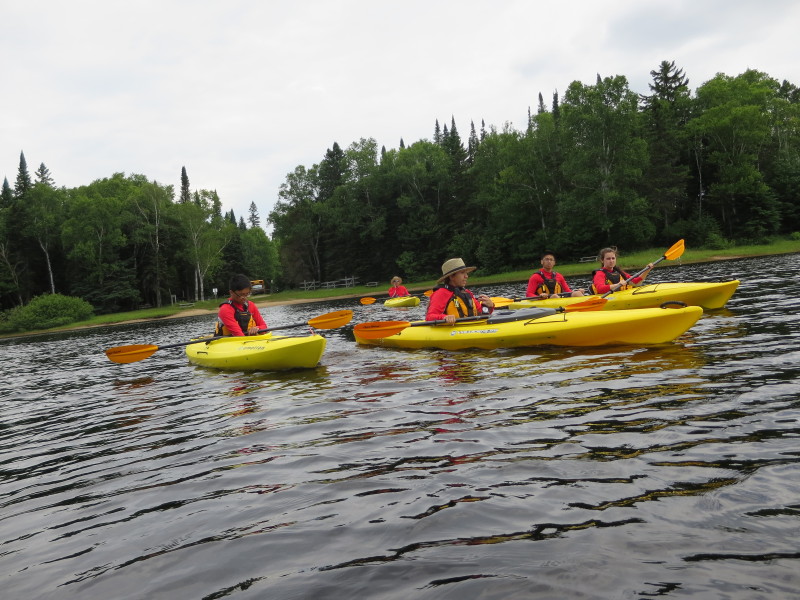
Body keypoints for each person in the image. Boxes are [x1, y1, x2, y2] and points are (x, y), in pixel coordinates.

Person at [426, 258, 494, 324]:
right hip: (452, 331)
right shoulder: (441, 293)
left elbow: (481, 314)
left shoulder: (467, 292)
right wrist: (445, 317)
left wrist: (489, 306)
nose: (466, 276)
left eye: (466, 273)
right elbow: (429, 317)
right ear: (452, 277)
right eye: (462, 273)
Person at [590, 247, 654, 294]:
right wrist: (617, 285)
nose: (611, 261)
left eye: (613, 258)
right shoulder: (599, 273)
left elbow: (636, 282)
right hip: (606, 299)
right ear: (602, 260)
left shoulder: (619, 272)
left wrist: (647, 270)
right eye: (608, 259)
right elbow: (600, 289)